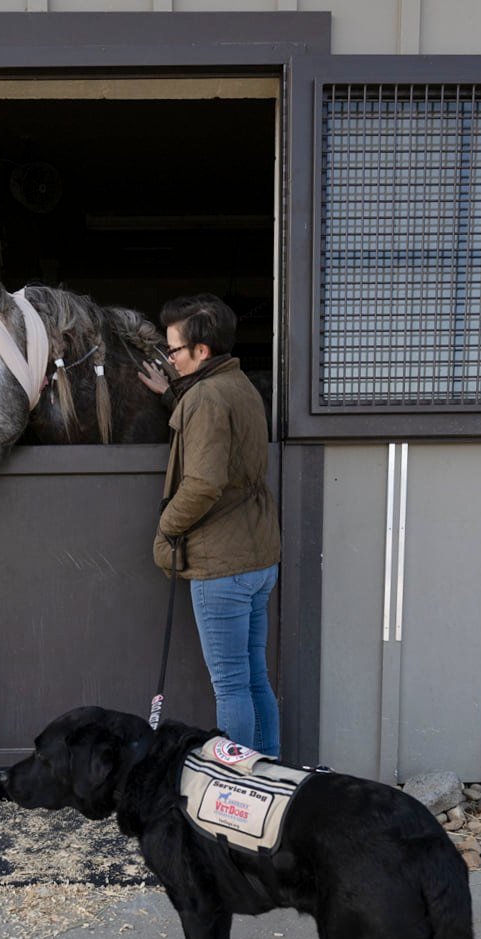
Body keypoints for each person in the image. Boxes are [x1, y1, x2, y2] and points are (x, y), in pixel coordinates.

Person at [139, 294, 282, 757]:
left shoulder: (205, 398)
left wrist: (166, 530)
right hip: (258, 558)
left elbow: (202, 484)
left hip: (222, 567)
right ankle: (269, 775)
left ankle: (237, 789)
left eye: (174, 351)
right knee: (254, 677)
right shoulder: (239, 385)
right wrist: (171, 395)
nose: (170, 359)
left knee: (231, 687)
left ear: (202, 352)